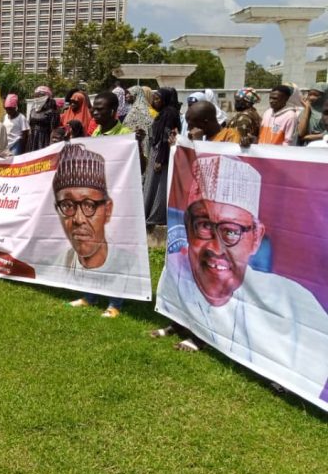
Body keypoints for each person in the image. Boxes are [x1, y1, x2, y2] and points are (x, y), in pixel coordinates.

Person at [157, 154, 328, 393]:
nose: (216, 247)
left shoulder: (298, 306)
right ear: (187, 226)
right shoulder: (177, 269)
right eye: (205, 225)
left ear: (256, 238)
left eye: (231, 231)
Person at [52, 143, 140, 317]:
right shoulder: (60, 260)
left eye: (89, 205)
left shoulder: (128, 260)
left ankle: (115, 303)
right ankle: (89, 297)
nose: (78, 219)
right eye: (68, 205)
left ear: (107, 210)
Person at [144, 88, 180, 227]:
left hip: (161, 154)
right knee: (152, 183)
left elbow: (166, 137)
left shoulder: (169, 114)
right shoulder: (163, 113)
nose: (155, 101)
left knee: (159, 185)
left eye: (158, 99)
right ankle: (150, 213)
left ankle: (156, 216)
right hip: (157, 151)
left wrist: (160, 159)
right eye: (154, 98)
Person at [27, 86, 59, 151]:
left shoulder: (52, 112)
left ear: (46, 97)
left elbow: (53, 130)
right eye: (36, 95)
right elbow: (30, 125)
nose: (37, 98)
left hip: (44, 139)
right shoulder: (33, 110)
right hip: (33, 138)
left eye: (40, 95)